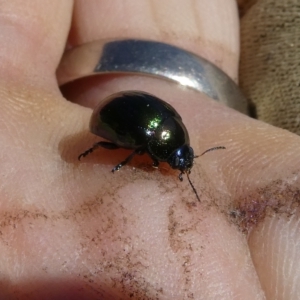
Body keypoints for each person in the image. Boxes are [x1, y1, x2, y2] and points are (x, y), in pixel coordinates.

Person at [0, 1, 299, 299]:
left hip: (136, 110)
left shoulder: (172, 133)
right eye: (177, 160)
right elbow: (138, 149)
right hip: (110, 116)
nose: (180, 165)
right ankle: (96, 152)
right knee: (126, 148)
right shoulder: (160, 139)